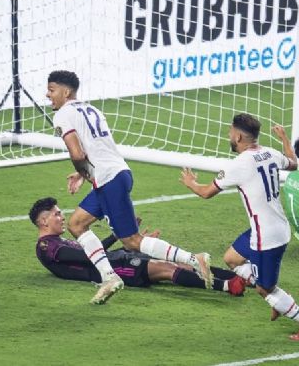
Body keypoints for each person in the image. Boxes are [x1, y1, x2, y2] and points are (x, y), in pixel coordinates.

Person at [46, 70, 212, 305]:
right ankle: (109, 277)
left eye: (52, 90)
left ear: (66, 92)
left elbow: (78, 153)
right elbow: (98, 148)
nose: (48, 95)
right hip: (117, 173)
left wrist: (83, 170)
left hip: (108, 179)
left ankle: (195, 259)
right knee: (76, 224)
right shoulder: (92, 109)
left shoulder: (63, 114)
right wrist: (85, 174)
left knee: (132, 241)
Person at [180, 115, 299, 341]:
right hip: (272, 227)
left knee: (264, 289)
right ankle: (276, 297)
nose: (229, 136)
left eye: (230, 132)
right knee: (231, 258)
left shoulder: (239, 165)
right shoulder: (269, 153)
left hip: (266, 237)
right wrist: (284, 138)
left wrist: (191, 183)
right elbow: (294, 163)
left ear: (238, 136)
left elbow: (206, 192)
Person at [30, 197, 247, 296]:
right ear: (43, 221)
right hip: (114, 270)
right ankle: (227, 287)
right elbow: (89, 258)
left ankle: (237, 279)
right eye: (57, 214)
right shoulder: (47, 245)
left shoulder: (57, 242)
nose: (62, 217)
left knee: (178, 262)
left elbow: (94, 254)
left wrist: (127, 244)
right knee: (167, 269)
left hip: (117, 260)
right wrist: (121, 240)